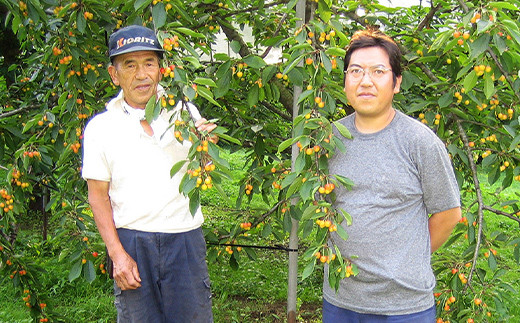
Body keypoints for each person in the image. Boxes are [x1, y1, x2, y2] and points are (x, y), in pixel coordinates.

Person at [323, 29, 462, 322]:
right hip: (340, 300)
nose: (366, 81)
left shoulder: (419, 142)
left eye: (378, 71)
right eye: (356, 71)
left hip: (404, 307)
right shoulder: (330, 141)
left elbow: (448, 214)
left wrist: (404, 261)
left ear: (396, 82)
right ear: (345, 79)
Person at [82, 25, 215, 322]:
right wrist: (117, 254)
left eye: (149, 63)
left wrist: (206, 148)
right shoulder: (100, 128)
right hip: (133, 244)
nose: (141, 74)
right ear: (114, 74)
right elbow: (97, 197)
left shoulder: (185, 113)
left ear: (161, 69)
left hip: (184, 240)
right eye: (130, 65)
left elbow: (202, 173)